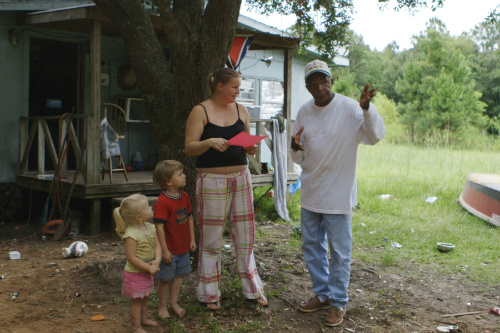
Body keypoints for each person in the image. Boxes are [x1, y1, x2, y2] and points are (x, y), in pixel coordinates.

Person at [291, 60, 385, 327]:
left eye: (324, 81)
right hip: (311, 190)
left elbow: (375, 135)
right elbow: (298, 157)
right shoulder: (304, 112)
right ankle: (322, 294)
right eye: (313, 83)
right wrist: (294, 147)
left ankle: (339, 302)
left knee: (340, 252)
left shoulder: (350, 108)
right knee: (312, 246)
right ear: (307, 86)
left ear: (331, 81)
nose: (319, 87)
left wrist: (367, 108)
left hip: (338, 194)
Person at [184, 67, 268, 310]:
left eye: (239, 87)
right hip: (211, 180)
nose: (238, 91)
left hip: (241, 178)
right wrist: (208, 142)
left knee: (245, 237)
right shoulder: (200, 111)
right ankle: (209, 293)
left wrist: (250, 148)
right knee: (211, 239)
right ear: (220, 86)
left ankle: (253, 289)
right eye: (235, 87)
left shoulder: (242, 110)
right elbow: (189, 148)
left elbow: (246, 145)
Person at [152, 160, 197, 319]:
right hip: (169, 251)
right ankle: (162, 307)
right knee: (165, 279)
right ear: (169, 182)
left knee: (177, 278)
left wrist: (192, 239)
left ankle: (175, 304)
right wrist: (164, 251)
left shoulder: (184, 196)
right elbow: (159, 228)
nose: (184, 176)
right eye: (180, 174)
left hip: (183, 248)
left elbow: (190, 218)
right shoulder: (162, 202)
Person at [113, 194, 162, 333]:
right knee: (137, 300)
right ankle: (136, 327)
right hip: (135, 274)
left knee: (145, 297)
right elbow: (131, 258)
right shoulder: (131, 234)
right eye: (147, 206)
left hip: (148, 270)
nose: (150, 207)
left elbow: (157, 246)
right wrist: (148, 267)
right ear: (138, 217)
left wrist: (157, 260)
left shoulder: (151, 228)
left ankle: (143, 319)